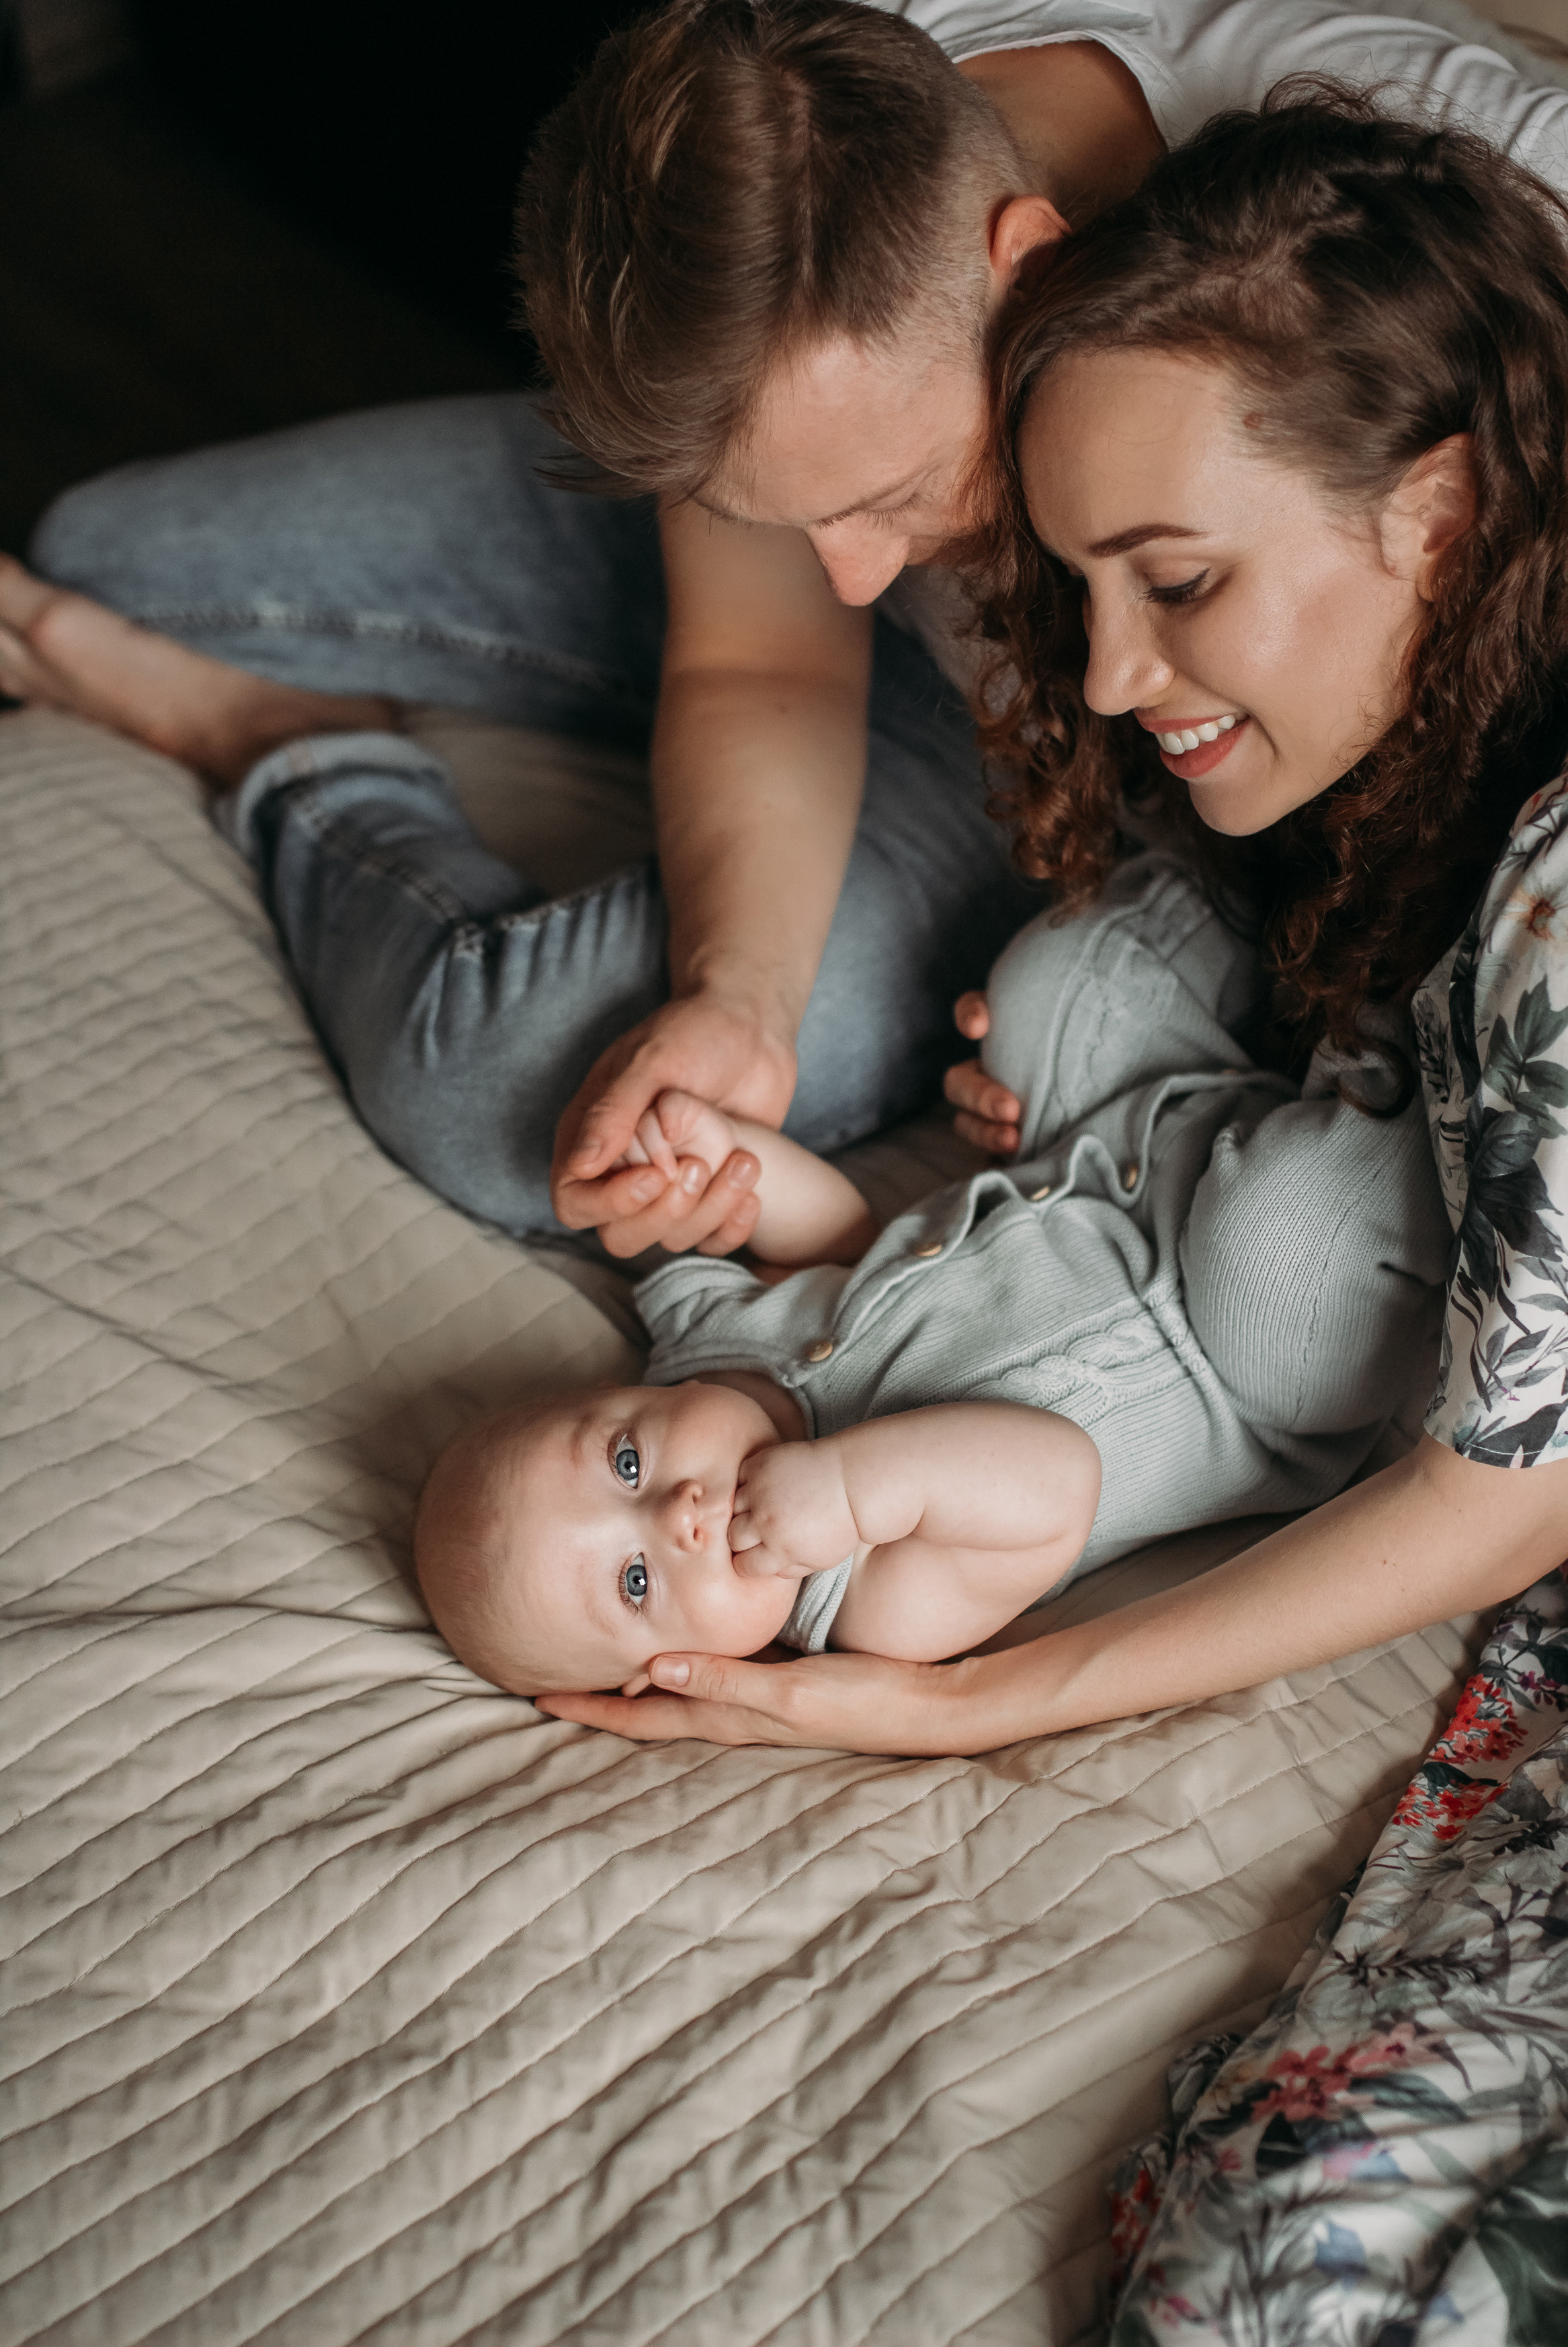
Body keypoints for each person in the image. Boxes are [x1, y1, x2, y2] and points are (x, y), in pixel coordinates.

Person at [2, 0, 1564, 1259]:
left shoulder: (1431, 199)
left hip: (1043, 757)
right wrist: (736, 1000)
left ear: (1029, 266)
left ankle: (282, 743)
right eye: (783, 510)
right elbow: (763, 653)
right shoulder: (796, 158)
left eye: (895, 491)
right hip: (815, 571)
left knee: (504, 1092)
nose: (857, 575)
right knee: (105, 552)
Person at [528, 94, 1568, 1752]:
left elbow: (1508, 1500)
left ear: (1438, 517)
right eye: (1085, 585)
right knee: (1054, 983)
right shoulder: (1396, 707)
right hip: (1250, 1100)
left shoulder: (1551, 889)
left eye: (1176, 583)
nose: (1103, 677)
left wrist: (970, 1703)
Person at [415, 851, 1446, 1697]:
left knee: (1053, 986)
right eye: (638, 1580)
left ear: (618, 1398)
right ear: (670, 1674)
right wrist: (854, 1494)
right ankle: (1415, 988)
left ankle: (1306, 871)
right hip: (1237, 1358)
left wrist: (720, 1155)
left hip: (1101, 1154)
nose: (676, 1513)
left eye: (626, 1464)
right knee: (1291, 1227)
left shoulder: (701, 1346)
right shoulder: (866, 1608)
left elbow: (832, 1237)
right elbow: (1052, 1480)